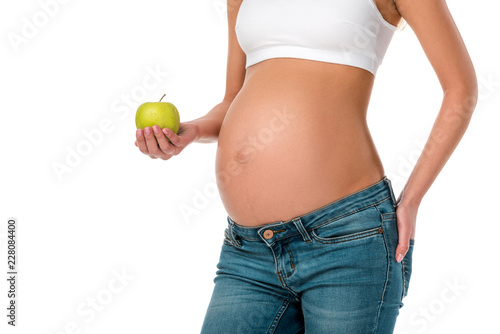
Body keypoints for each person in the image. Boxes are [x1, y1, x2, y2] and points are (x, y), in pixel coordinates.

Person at [135, 0, 478, 332]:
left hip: (347, 241)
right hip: (250, 250)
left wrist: (412, 199)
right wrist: (191, 131)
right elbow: (232, 99)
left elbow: (460, 90)